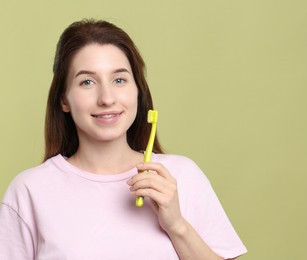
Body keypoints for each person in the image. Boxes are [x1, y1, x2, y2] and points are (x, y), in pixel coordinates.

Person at [0, 19, 247, 259]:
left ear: (138, 92)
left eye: (119, 80)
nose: (107, 98)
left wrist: (177, 226)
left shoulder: (182, 176)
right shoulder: (30, 190)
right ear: (64, 99)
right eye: (87, 82)